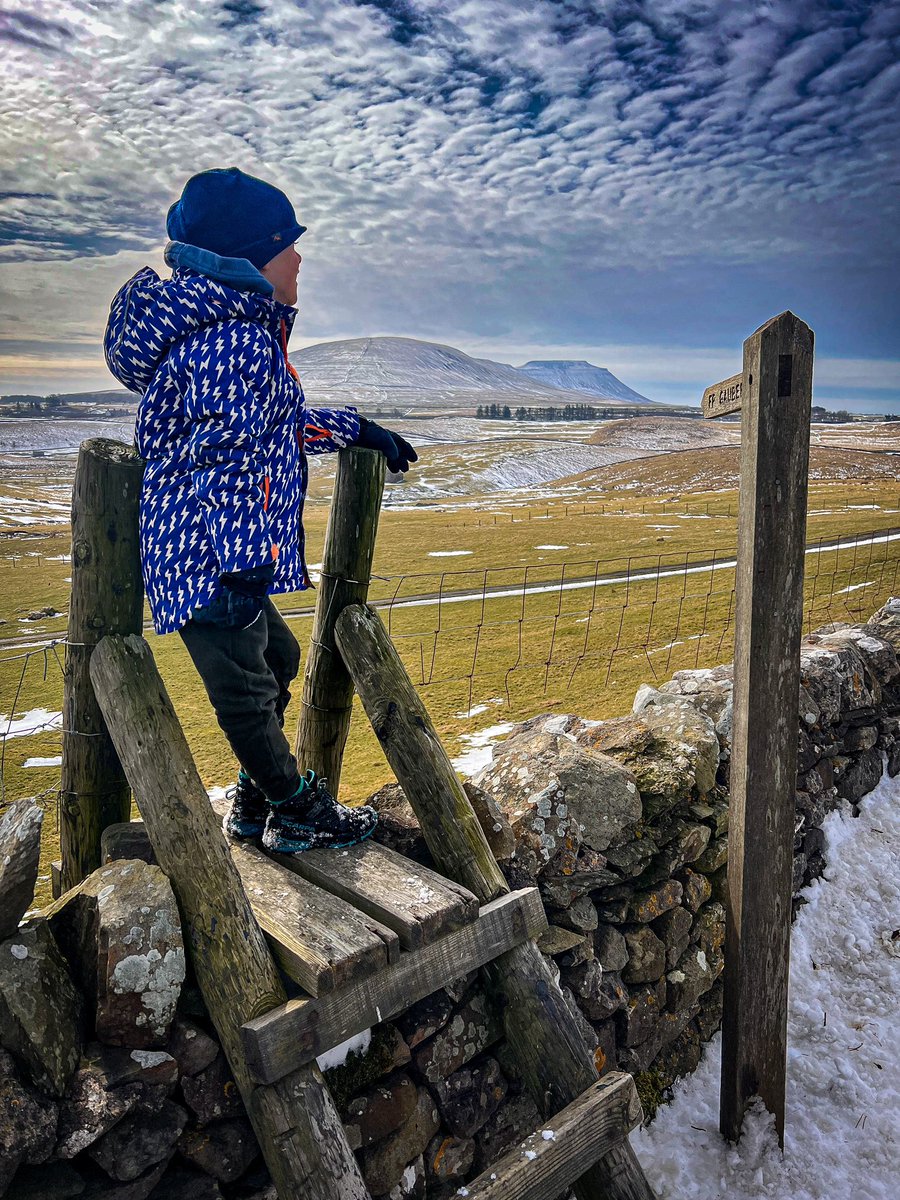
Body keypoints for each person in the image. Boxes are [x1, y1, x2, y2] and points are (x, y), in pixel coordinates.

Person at [103, 166, 417, 852]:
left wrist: (359, 430)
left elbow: (273, 425)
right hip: (209, 557)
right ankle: (294, 807)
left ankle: (255, 802)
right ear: (248, 256)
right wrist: (246, 565)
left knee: (278, 655)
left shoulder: (234, 332)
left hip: (210, 552)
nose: (299, 258)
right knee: (246, 690)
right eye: (288, 244)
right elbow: (228, 457)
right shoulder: (233, 339)